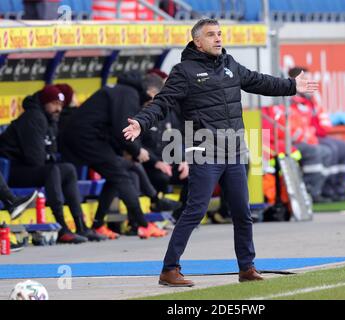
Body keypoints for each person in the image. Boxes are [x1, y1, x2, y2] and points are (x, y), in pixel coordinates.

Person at [123, 18, 318, 287]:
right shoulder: (184, 71)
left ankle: (246, 268)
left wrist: (291, 86)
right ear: (197, 42)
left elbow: (260, 82)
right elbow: (163, 102)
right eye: (211, 35)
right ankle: (169, 269)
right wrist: (141, 122)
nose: (218, 39)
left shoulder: (230, 65)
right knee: (195, 210)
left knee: (241, 212)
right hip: (205, 151)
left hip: (234, 150)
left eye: (219, 34)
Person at [60, 71, 168, 240]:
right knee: (121, 176)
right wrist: (137, 151)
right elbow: (122, 128)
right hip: (85, 138)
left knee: (116, 174)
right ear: (152, 92)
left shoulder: (125, 91)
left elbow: (114, 128)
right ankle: (143, 225)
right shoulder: (128, 94)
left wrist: (130, 152)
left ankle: (98, 225)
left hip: (89, 137)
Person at [0, 85, 105, 243]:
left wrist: (48, 156)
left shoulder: (50, 120)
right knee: (52, 170)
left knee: (68, 169)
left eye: (61, 105)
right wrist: (49, 156)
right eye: (54, 103)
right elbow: (35, 158)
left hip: (30, 168)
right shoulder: (33, 118)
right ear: (44, 102)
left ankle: (81, 225)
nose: (58, 109)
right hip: (12, 171)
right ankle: (62, 227)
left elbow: (52, 152)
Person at [289, 67, 345, 201]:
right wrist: (310, 135)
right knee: (329, 150)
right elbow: (292, 128)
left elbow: (323, 121)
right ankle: (323, 191)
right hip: (301, 141)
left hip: (314, 137)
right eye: (305, 79)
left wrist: (316, 131)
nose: (308, 82)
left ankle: (340, 190)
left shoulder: (310, 100)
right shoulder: (289, 100)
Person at [140, 74, 189, 221]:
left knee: (194, 175)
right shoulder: (139, 115)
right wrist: (156, 162)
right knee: (161, 177)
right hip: (149, 165)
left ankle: (180, 216)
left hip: (168, 162)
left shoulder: (168, 113)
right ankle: (156, 207)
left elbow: (176, 138)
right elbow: (137, 146)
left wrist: (183, 160)